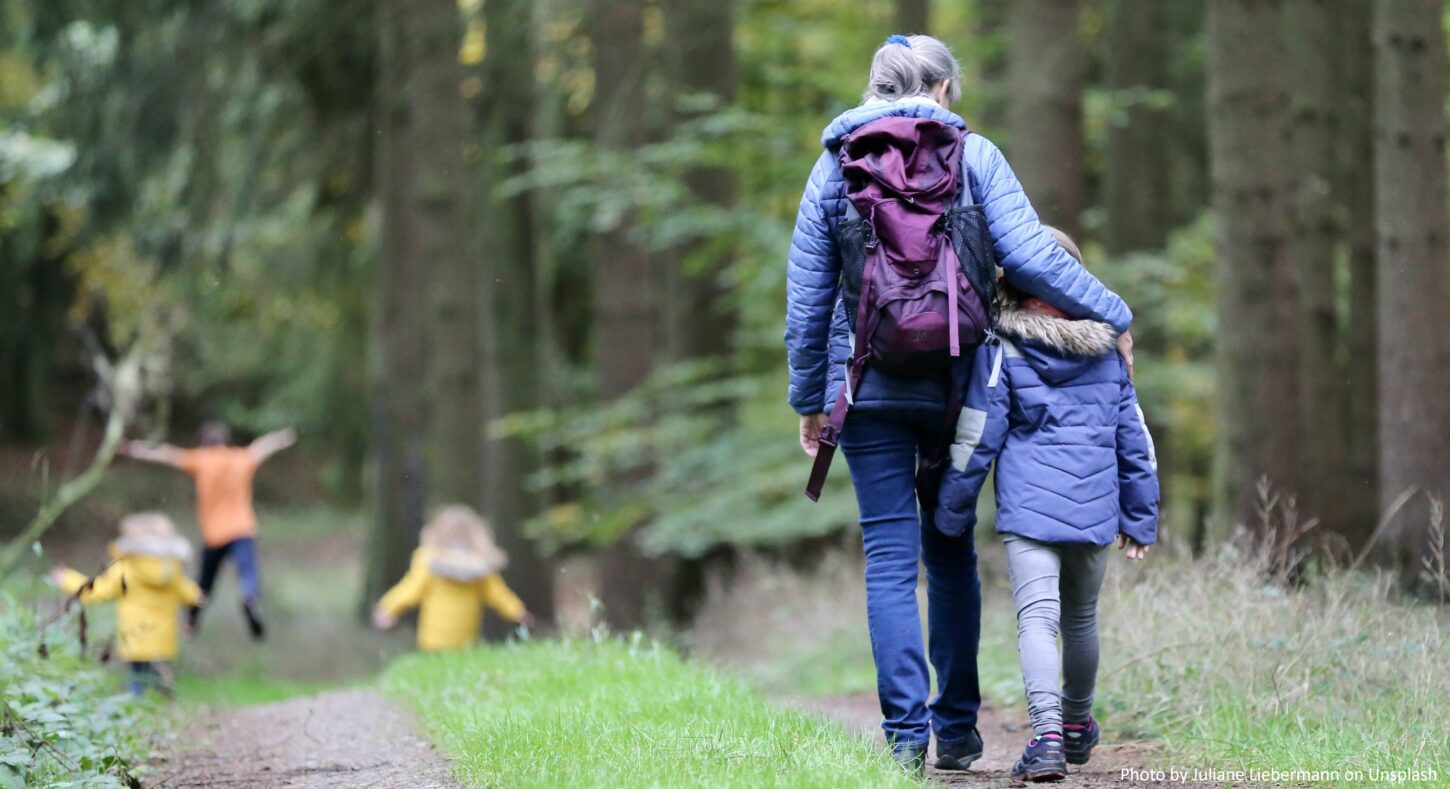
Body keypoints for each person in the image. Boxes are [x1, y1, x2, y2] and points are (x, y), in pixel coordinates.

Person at [784, 35, 1135, 773]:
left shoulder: (832, 167)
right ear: (943, 88)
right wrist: (1115, 314)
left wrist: (810, 400)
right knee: (949, 550)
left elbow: (808, 299)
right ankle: (960, 730)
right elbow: (1036, 256)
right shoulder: (977, 156)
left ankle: (906, 739)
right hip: (960, 386)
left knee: (887, 555)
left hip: (868, 386)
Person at [935, 228, 1158, 782]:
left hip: (1030, 512)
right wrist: (1141, 516)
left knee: (1038, 619)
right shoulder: (1109, 351)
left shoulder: (1002, 347)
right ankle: (1079, 725)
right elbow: (1136, 440)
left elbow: (977, 434)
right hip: (1095, 507)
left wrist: (951, 510)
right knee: (1081, 618)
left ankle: (1048, 737)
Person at [118, 421, 296, 639]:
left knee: (205, 582)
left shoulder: (201, 460)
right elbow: (262, 446)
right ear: (226, 442)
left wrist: (135, 448)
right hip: (242, 529)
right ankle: (249, 599)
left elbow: (167, 454)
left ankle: (192, 621)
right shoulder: (240, 458)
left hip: (214, 535)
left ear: (203, 443)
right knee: (248, 572)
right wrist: (282, 437)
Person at [50, 513, 204, 697]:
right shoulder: (171, 569)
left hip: (136, 635)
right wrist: (198, 596)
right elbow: (188, 592)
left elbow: (97, 590)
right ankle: (162, 701)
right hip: (163, 637)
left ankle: (138, 704)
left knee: (137, 677)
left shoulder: (127, 567)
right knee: (157, 674)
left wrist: (68, 579)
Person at [372, 505, 534, 651]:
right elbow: (498, 594)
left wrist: (388, 608)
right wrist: (518, 612)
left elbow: (410, 589)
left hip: (433, 639)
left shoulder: (429, 559)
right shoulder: (480, 564)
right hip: (465, 639)